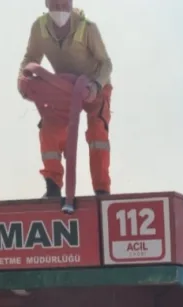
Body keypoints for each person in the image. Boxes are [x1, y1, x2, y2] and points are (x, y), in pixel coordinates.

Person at [18, 1, 114, 198]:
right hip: (64, 87)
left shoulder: (87, 28)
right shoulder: (39, 28)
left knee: (97, 133)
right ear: (47, 3)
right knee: (50, 129)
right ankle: (52, 187)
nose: (61, 9)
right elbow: (31, 58)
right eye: (56, 4)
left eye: (65, 4)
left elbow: (106, 63)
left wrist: (95, 86)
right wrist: (23, 79)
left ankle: (101, 190)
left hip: (95, 86)